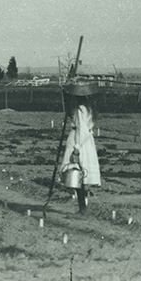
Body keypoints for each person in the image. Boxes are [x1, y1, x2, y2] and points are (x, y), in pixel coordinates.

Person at [58, 82, 101, 213]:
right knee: (77, 174)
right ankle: (82, 206)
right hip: (83, 141)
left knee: (76, 173)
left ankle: (83, 207)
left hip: (80, 142)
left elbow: (83, 130)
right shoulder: (87, 108)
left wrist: (76, 148)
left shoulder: (81, 109)